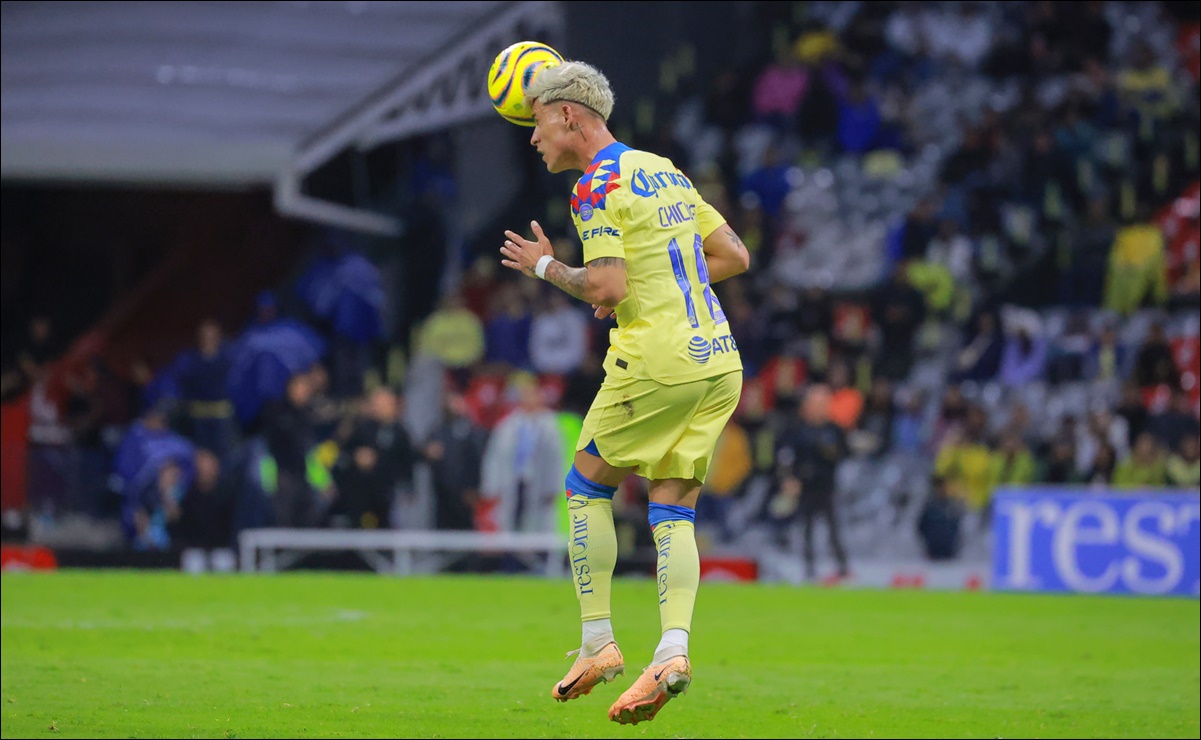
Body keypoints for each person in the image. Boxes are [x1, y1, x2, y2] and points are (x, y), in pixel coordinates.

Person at [497, 60, 749, 725]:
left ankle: (597, 641)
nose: (533, 137)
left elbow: (604, 288)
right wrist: (647, 288)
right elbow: (729, 256)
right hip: (717, 360)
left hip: (657, 362)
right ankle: (671, 651)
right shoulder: (660, 167)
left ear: (569, 116)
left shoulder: (595, 184)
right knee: (672, 507)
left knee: (585, 489)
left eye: (538, 122)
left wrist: (543, 265)